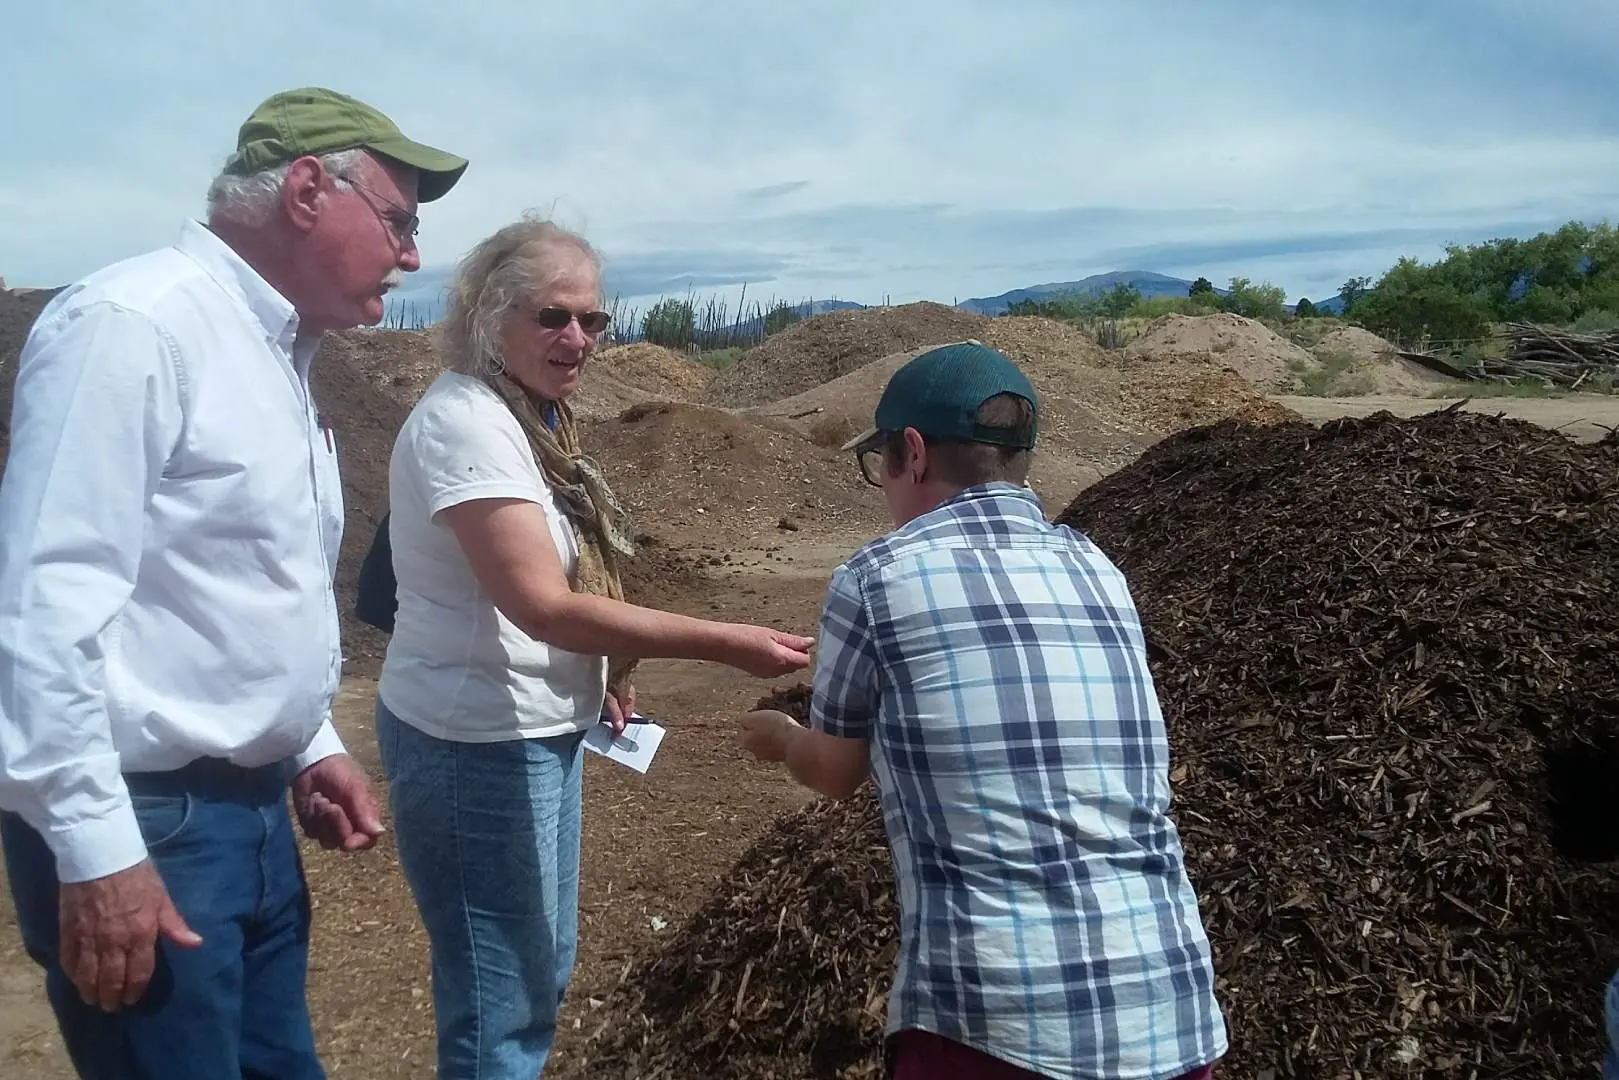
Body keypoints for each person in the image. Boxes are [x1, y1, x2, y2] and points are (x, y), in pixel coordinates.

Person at [0, 87, 467, 1080]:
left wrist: (306, 740)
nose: (413, 254)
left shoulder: (269, 353)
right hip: (149, 822)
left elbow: (232, 585)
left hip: (245, 817)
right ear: (306, 189)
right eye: (399, 221)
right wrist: (96, 850)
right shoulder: (133, 327)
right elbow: (45, 607)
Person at [373, 216, 814, 1079]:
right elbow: (541, 604)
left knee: (536, 970)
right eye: (552, 317)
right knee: (501, 999)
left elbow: (561, 593)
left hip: (527, 727)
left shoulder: (536, 423)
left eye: (593, 320)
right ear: (487, 319)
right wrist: (723, 642)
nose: (577, 339)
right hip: (475, 742)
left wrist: (600, 670)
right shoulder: (467, 426)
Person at [738, 341, 1228, 1080]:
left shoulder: (874, 579)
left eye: (880, 466)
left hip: (994, 1022)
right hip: (1172, 1006)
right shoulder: (1098, 568)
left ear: (911, 452)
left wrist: (780, 739)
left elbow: (835, 772)